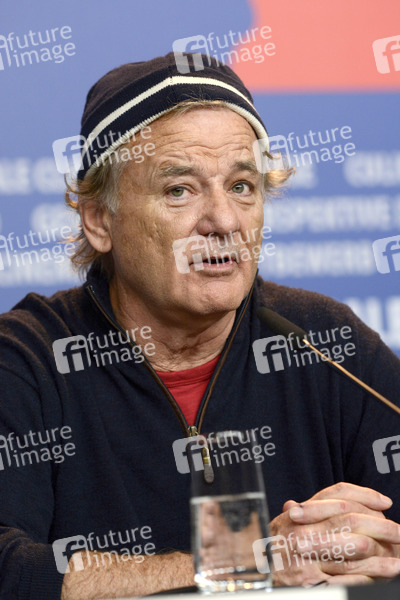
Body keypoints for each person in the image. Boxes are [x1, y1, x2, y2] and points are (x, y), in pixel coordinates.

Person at [0, 52, 400, 600]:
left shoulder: (327, 342)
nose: (224, 221)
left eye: (242, 186)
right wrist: (248, 563)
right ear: (99, 219)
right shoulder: (27, 359)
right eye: (179, 190)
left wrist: (371, 548)